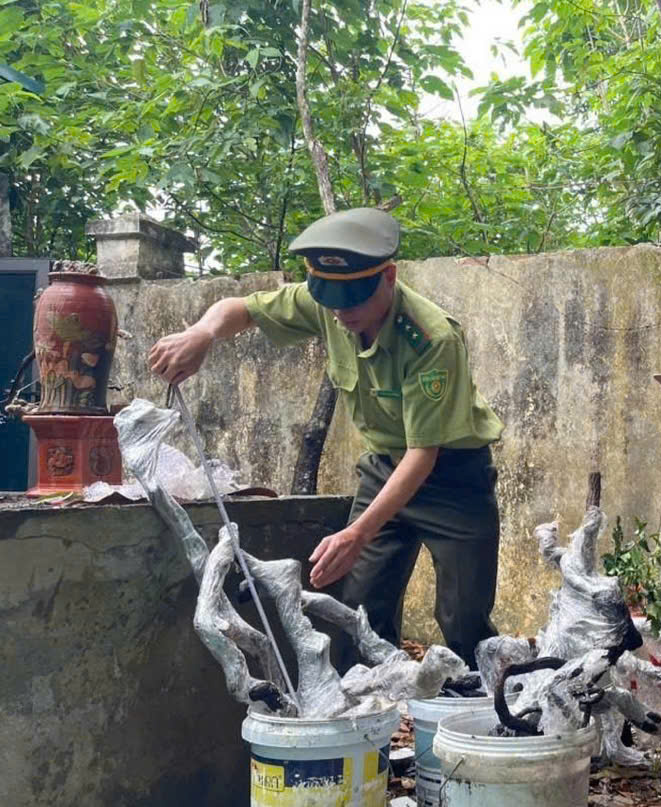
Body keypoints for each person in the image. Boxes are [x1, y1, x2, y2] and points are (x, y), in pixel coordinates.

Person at [148, 207, 504, 669]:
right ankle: (367, 725)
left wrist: (356, 533)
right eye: (332, 300)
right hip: (385, 468)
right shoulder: (330, 306)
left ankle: (476, 727)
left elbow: (423, 455)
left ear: (389, 277)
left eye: (354, 300)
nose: (341, 313)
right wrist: (202, 333)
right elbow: (243, 309)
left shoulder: (431, 339)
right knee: (358, 613)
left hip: (454, 478)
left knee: (464, 621)